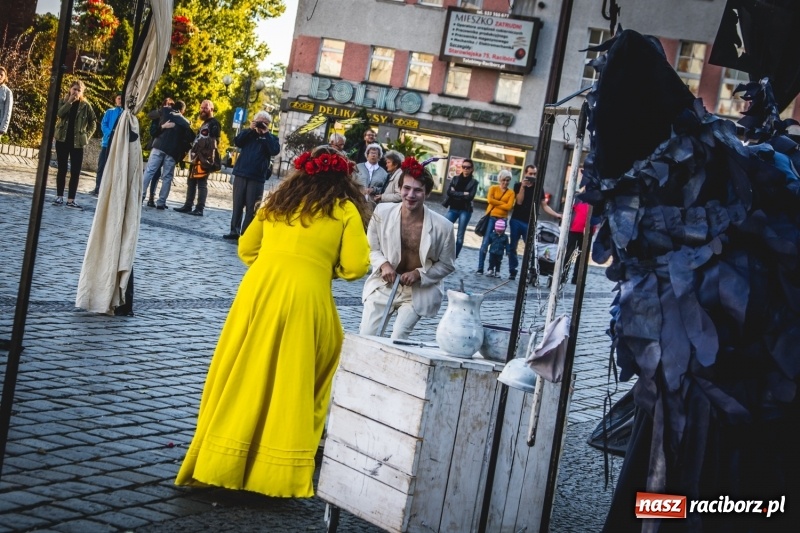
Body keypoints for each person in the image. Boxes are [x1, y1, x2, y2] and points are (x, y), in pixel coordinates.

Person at [175, 146, 370, 498]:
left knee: (240, 371)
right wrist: (323, 267)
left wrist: (274, 264)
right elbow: (356, 267)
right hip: (307, 297)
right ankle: (275, 470)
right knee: (294, 380)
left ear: (300, 173)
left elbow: (246, 249)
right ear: (344, 179)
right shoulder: (344, 210)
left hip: (258, 291)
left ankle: (220, 457)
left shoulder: (277, 202)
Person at [360, 157, 456, 339]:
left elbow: (447, 264)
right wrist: (384, 264)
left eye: (418, 190)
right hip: (384, 284)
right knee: (367, 335)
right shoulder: (381, 212)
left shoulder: (443, 227)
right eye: (407, 188)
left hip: (417, 291)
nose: (411, 195)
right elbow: (371, 247)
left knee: (398, 338)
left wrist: (419, 274)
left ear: (427, 193)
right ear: (399, 188)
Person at [222, 111, 281, 240]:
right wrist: (250, 129)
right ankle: (234, 231)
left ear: (268, 124)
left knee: (252, 208)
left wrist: (265, 133)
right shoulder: (248, 134)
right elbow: (238, 142)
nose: (261, 125)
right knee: (237, 204)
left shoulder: (271, 138)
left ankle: (245, 234)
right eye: (259, 122)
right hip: (241, 173)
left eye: (264, 123)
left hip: (257, 177)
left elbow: (274, 150)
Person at [507, 164, 562, 280]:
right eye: (530, 174)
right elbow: (519, 202)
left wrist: (556, 214)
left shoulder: (538, 188)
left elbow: (544, 205)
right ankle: (513, 270)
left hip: (529, 221)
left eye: (534, 174)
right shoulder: (518, 185)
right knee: (512, 246)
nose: (532, 176)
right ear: (525, 173)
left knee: (531, 248)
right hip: (516, 220)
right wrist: (523, 187)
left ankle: (529, 270)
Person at [141, 100, 194, 210]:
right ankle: (161, 202)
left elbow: (150, 115)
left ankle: (140, 195)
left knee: (149, 171)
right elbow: (190, 138)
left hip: (159, 146)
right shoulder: (185, 122)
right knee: (167, 177)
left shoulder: (165, 111)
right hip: (172, 151)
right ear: (183, 111)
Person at [52, 80, 96, 210]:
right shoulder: (63, 101)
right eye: (74, 89)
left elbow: (93, 122)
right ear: (70, 89)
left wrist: (86, 136)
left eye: (79, 90)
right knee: (62, 169)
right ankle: (59, 197)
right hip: (62, 139)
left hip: (77, 143)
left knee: (75, 171)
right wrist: (69, 102)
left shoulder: (85, 106)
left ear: (82, 92)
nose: (76, 92)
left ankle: (71, 200)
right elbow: (59, 114)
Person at [175, 100, 221, 216]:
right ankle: (188, 205)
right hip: (196, 157)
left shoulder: (214, 123)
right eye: (201, 107)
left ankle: (200, 208)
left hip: (204, 158)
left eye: (205, 108)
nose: (202, 110)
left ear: (211, 109)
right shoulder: (205, 123)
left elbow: (214, 142)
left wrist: (206, 156)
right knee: (191, 181)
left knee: (201, 183)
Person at [476, 170, 514, 274]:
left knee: (498, 244)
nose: (505, 182)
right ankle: (480, 268)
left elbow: (509, 206)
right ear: (499, 179)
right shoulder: (493, 188)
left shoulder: (511, 192)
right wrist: (503, 203)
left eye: (508, 180)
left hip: (502, 220)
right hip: (491, 217)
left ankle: (492, 268)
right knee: (485, 242)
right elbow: (489, 200)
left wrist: (496, 202)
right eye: (503, 180)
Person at [443, 158, 478, 257]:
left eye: (468, 167)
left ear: (472, 169)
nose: (465, 169)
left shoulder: (474, 182)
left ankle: (454, 257)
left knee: (460, 236)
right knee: (443, 228)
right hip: (453, 208)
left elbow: (470, 197)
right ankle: (442, 252)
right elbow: (449, 192)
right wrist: (463, 193)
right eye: (464, 167)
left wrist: (456, 193)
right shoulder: (455, 178)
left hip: (465, 211)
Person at [143, 97, 175, 207]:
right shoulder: (158, 116)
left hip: (169, 150)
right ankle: (148, 196)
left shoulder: (175, 117)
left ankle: (159, 200)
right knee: (153, 172)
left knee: (164, 175)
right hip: (158, 146)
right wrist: (163, 127)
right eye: (166, 104)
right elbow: (153, 132)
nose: (168, 107)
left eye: (170, 105)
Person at [91, 93, 123, 195]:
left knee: (115, 168)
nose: (120, 100)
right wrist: (110, 133)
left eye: (122, 99)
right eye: (119, 98)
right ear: (115, 100)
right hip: (107, 143)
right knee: (101, 166)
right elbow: (103, 124)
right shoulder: (110, 112)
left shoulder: (125, 114)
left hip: (119, 145)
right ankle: (98, 188)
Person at [567, 199, 590, 284]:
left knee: (583, 256)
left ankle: (577, 278)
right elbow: (570, 209)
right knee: (569, 253)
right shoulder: (578, 198)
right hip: (575, 229)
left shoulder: (596, 199)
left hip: (587, 231)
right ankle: (563, 275)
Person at [0, 66, 13, 139]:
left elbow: (8, 111)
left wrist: (2, 128)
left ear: (5, 77)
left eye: (1, 75)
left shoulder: (7, 92)